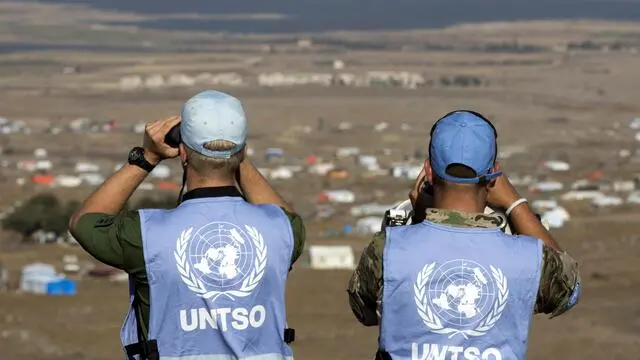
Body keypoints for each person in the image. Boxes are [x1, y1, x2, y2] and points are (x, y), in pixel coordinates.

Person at [69, 90, 305, 360]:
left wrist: (147, 157)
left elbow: (84, 222)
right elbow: (284, 217)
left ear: (182, 152)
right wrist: (232, 154)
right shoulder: (281, 230)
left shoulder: (147, 235)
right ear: (243, 151)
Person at [347, 110, 581, 360]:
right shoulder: (528, 258)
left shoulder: (389, 250)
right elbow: (569, 291)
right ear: (494, 175)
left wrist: (418, 221)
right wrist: (515, 203)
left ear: (428, 171)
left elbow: (366, 311)